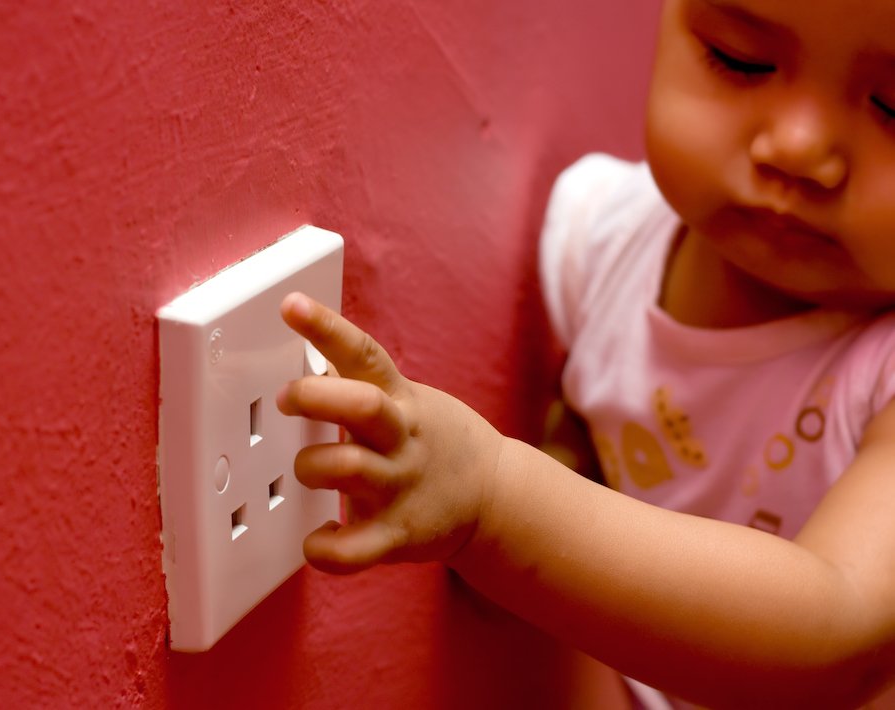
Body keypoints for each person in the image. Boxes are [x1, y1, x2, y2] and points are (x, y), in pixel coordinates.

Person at [276, 0, 895, 706]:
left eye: (894, 108)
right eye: (741, 60)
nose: (799, 147)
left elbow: (837, 633)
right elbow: (593, 454)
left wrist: (493, 499)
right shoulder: (599, 240)